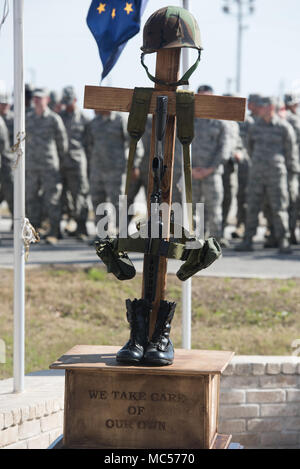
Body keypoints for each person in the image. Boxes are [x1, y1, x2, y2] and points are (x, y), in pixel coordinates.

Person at [235, 96, 299, 254]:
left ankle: (283, 241)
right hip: (256, 173)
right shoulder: (254, 127)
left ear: (271, 108)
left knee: (279, 208)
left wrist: (291, 175)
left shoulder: (284, 128)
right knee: (252, 207)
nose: (259, 109)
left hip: (276, 174)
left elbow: (291, 153)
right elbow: (249, 147)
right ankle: (248, 240)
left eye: (263, 106)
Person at [86, 110, 144, 237]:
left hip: (116, 170)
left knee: (119, 202)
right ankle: (102, 234)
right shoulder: (94, 123)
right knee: (98, 201)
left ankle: (122, 234)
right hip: (97, 169)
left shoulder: (120, 120)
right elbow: (89, 145)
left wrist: (135, 164)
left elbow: (135, 143)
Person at [25, 87, 68, 245]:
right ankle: (33, 231)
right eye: (35, 97)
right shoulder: (27, 118)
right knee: (31, 199)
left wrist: (60, 162)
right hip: (31, 166)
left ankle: (54, 232)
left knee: (52, 199)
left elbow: (62, 143)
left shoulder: (54, 119)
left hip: (49, 165)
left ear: (47, 100)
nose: (37, 100)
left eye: (40, 97)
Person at [192, 85, 231, 246]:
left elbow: (225, 149)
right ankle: (190, 240)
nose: (205, 101)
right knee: (189, 209)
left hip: (212, 173)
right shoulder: (187, 121)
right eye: (201, 97)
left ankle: (215, 241)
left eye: (209, 97)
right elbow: (178, 145)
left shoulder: (220, 123)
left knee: (214, 209)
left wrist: (209, 169)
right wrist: (190, 168)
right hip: (191, 173)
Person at [59, 86, 90, 240]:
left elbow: (90, 142)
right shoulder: (59, 117)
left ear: (76, 100)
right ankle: (61, 226)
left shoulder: (84, 119)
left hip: (78, 163)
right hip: (61, 162)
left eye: (69, 102)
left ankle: (81, 228)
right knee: (62, 196)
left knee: (80, 196)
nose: (67, 105)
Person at [284, 92, 300, 244]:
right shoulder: (291, 120)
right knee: (291, 201)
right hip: (291, 166)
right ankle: (289, 233)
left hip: (292, 166)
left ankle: (289, 233)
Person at [0, 93, 14, 218]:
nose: (3, 106)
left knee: (12, 195)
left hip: (10, 163)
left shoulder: (16, 119)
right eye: (1, 104)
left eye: (5, 104)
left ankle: (16, 223)